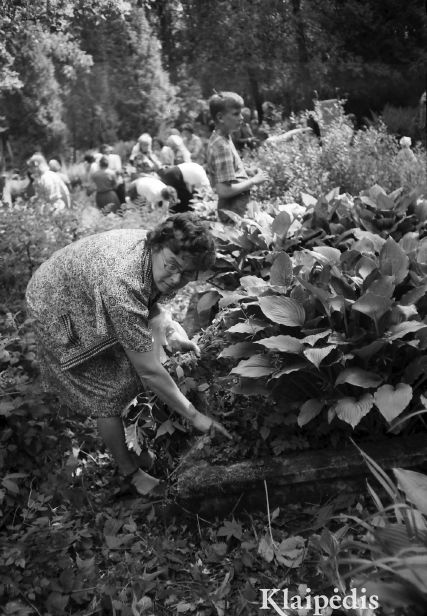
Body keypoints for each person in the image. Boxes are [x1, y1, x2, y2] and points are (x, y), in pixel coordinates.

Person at [25, 215, 229, 497]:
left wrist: (170, 331)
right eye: (172, 267)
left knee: (127, 364)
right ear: (156, 246)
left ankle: (131, 451)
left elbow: (149, 301)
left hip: (81, 282)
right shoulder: (123, 282)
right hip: (54, 299)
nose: (175, 279)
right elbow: (148, 369)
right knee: (105, 392)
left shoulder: (163, 252)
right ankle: (130, 474)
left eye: (186, 275)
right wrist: (194, 416)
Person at [206, 91, 268, 222]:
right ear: (220, 118)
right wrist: (253, 181)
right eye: (236, 114)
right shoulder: (222, 146)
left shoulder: (222, 137)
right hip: (232, 213)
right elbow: (224, 190)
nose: (241, 118)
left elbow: (226, 173)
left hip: (233, 210)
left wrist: (246, 171)